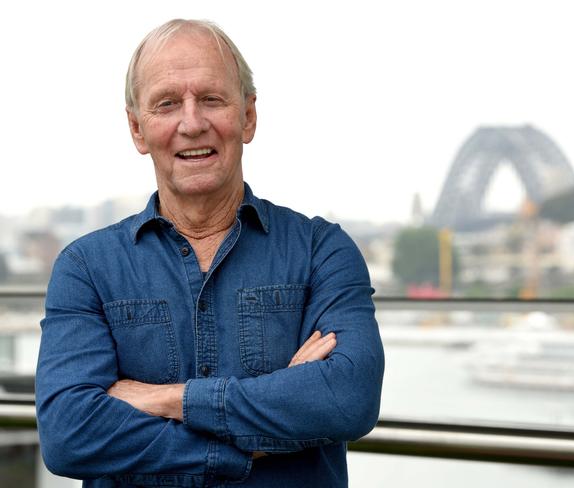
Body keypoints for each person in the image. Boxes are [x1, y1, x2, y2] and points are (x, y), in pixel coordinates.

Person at [35, 18, 384, 487]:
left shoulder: (322, 250)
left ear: (248, 116)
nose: (192, 123)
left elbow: (348, 398)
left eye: (212, 99)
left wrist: (167, 399)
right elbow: (68, 434)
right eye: (167, 104)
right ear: (138, 129)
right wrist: (268, 424)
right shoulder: (86, 267)